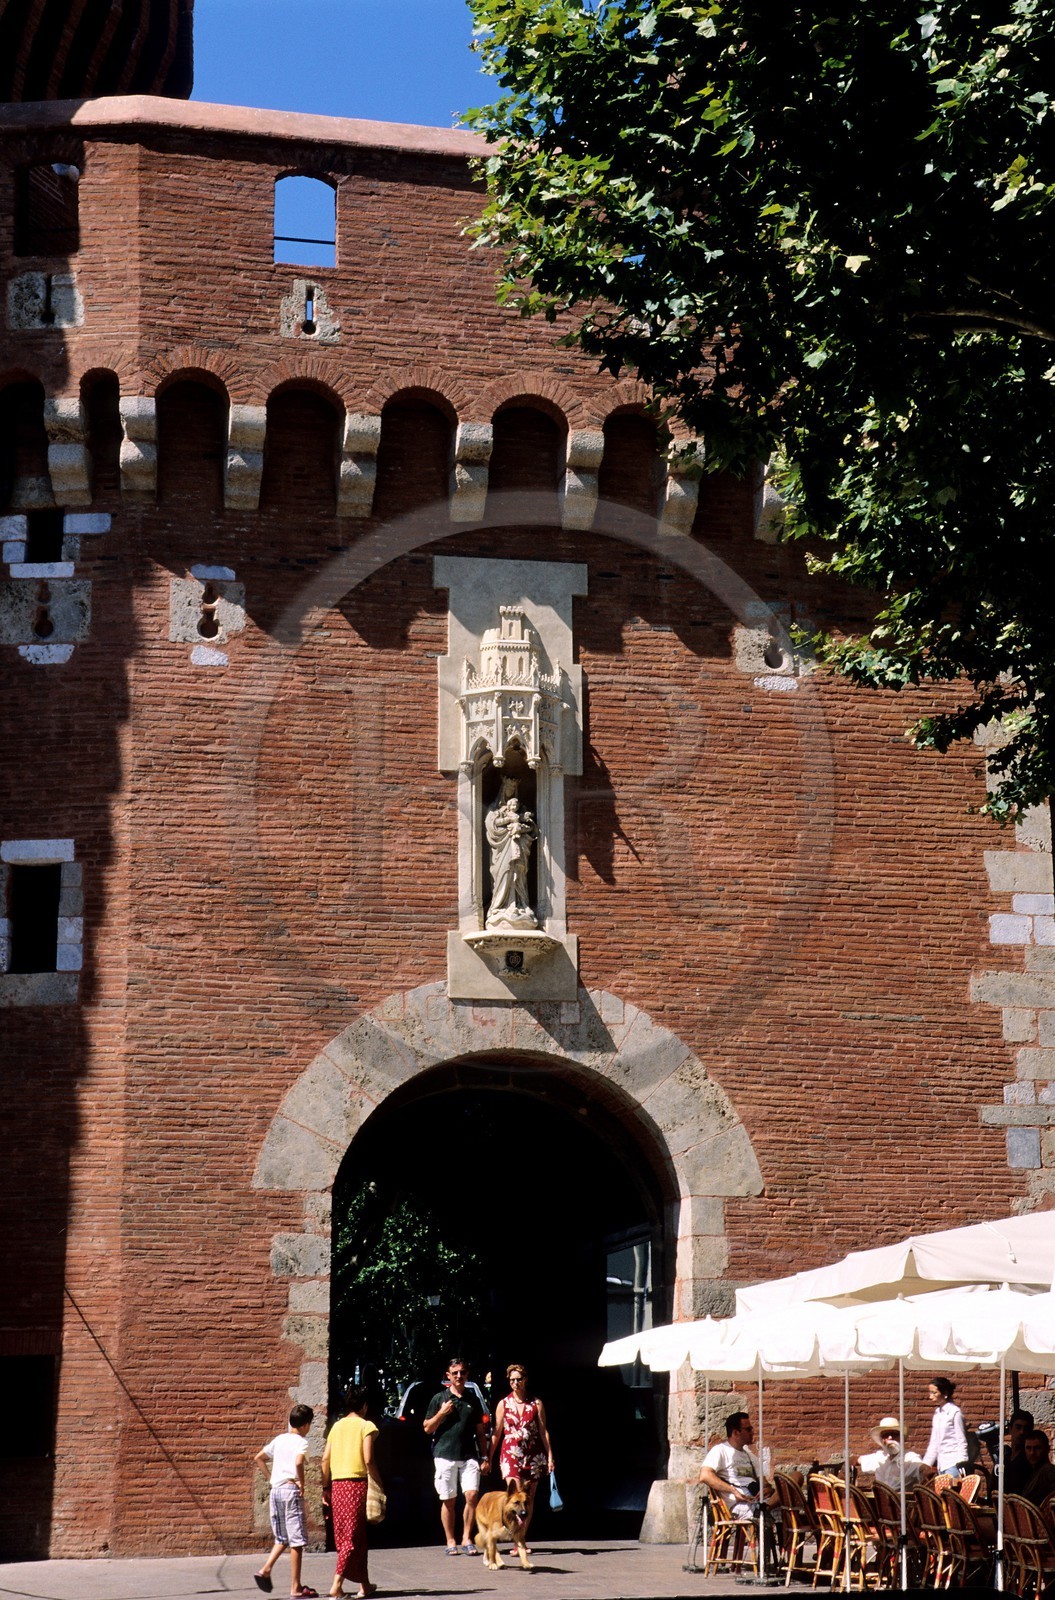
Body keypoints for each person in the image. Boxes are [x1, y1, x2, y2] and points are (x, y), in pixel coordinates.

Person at [320, 1383, 382, 1600]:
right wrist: (378, 1481)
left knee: (354, 1535)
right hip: (356, 1485)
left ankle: (364, 1585)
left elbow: (325, 1458)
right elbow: (368, 1459)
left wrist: (325, 1486)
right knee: (351, 1537)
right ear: (364, 1406)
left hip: (337, 1485)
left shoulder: (336, 1427)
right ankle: (336, 1586)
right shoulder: (366, 1426)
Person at [424, 1356, 489, 1555]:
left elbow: (480, 1432)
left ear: (467, 1374)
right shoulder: (439, 1398)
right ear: (448, 1376)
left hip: (469, 1455)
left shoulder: (473, 1399)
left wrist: (485, 1457)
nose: (459, 1376)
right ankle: (450, 1540)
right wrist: (442, 1413)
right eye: (455, 1373)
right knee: (449, 1500)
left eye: (462, 1372)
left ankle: (467, 1537)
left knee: (471, 1495)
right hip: (445, 1454)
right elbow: (427, 1428)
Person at [253, 1403, 318, 1598]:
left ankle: (265, 1569)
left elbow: (259, 1458)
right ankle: (296, 1587)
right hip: (290, 1491)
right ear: (306, 1425)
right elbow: (298, 1462)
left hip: (276, 1491)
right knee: (297, 1541)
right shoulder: (301, 1442)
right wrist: (301, 1482)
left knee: (282, 1538)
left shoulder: (279, 1439)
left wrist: (271, 1477)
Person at [488, 1363, 555, 1543]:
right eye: (512, 1380)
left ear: (525, 1380)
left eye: (518, 1379)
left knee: (528, 1500)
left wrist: (550, 1456)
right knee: (515, 1495)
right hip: (510, 1452)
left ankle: (521, 1538)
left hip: (533, 1455)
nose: (515, 1383)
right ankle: (515, 1536)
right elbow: (497, 1431)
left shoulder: (536, 1403)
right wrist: (488, 1457)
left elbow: (543, 1431)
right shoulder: (503, 1403)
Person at [698, 1411, 777, 1521]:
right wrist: (733, 1490)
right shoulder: (720, 1450)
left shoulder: (749, 1455)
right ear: (735, 1433)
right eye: (748, 1429)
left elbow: (764, 1483)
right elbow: (705, 1475)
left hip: (756, 1500)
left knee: (787, 1494)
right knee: (771, 1514)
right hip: (737, 1504)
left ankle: (765, 1510)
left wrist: (766, 1489)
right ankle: (763, 1512)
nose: (752, 1432)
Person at [485, 783, 538, 929]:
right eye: (508, 789)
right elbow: (492, 826)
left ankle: (521, 904)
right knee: (504, 873)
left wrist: (522, 826)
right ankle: (499, 905)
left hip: (518, 849)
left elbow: (532, 828)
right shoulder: (496, 810)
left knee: (519, 874)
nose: (511, 791)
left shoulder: (522, 812)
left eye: (513, 790)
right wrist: (510, 820)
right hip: (503, 850)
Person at [858, 1416, 928, 1492]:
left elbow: (922, 1468)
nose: (890, 1437)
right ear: (882, 1440)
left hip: (901, 1502)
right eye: (886, 1435)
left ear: (901, 1437)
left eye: (894, 1434)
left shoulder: (910, 1457)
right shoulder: (879, 1457)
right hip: (880, 1501)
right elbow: (856, 1460)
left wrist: (926, 1471)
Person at [922, 1378, 970, 1479]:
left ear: (944, 1393)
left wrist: (962, 1463)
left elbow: (961, 1439)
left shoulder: (954, 1412)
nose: (930, 1396)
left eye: (934, 1393)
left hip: (953, 1463)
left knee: (951, 1493)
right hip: (941, 1463)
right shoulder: (937, 1413)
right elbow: (934, 1441)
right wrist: (926, 1463)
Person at [1005, 1408, 1036, 1495]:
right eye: (1018, 1427)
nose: (1022, 1432)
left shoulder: (1030, 1459)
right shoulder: (1005, 1457)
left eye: (1026, 1428)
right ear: (1010, 1429)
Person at [1021, 1429, 1055, 1506]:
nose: (1032, 1453)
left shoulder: (1049, 1471)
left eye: (1037, 1448)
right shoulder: (1032, 1473)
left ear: (1047, 1449)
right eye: (1028, 1448)